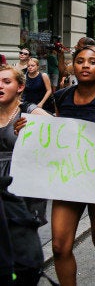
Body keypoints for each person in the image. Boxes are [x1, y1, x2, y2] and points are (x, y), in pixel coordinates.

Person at [18, 45, 95, 286]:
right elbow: (58, 132)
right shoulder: (62, 96)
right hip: (69, 178)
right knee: (59, 245)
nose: (85, 65)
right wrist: (28, 130)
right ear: (73, 67)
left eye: (92, 61)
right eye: (80, 61)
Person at [0, 65, 50, 285]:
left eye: (6, 81)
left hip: (22, 186)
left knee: (21, 240)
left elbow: (59, 136)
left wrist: (31, 134)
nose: (0, 86)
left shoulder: (29, 112)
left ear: (20, 87)